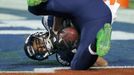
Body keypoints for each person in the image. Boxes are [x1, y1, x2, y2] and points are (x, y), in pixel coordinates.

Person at [27, 0, 112, 70]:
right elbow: (103, 63)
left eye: (38, 43)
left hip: (81, 6)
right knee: (76, 66)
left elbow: (59, 9)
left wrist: (55, 28)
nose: (42, 46)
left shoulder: (48, 22)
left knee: (33, 8)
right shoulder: (63, 57)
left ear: (39, 35)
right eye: (40, 50)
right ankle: (95, 42)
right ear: (44, 56)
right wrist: (78, 47)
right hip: (95, 20)